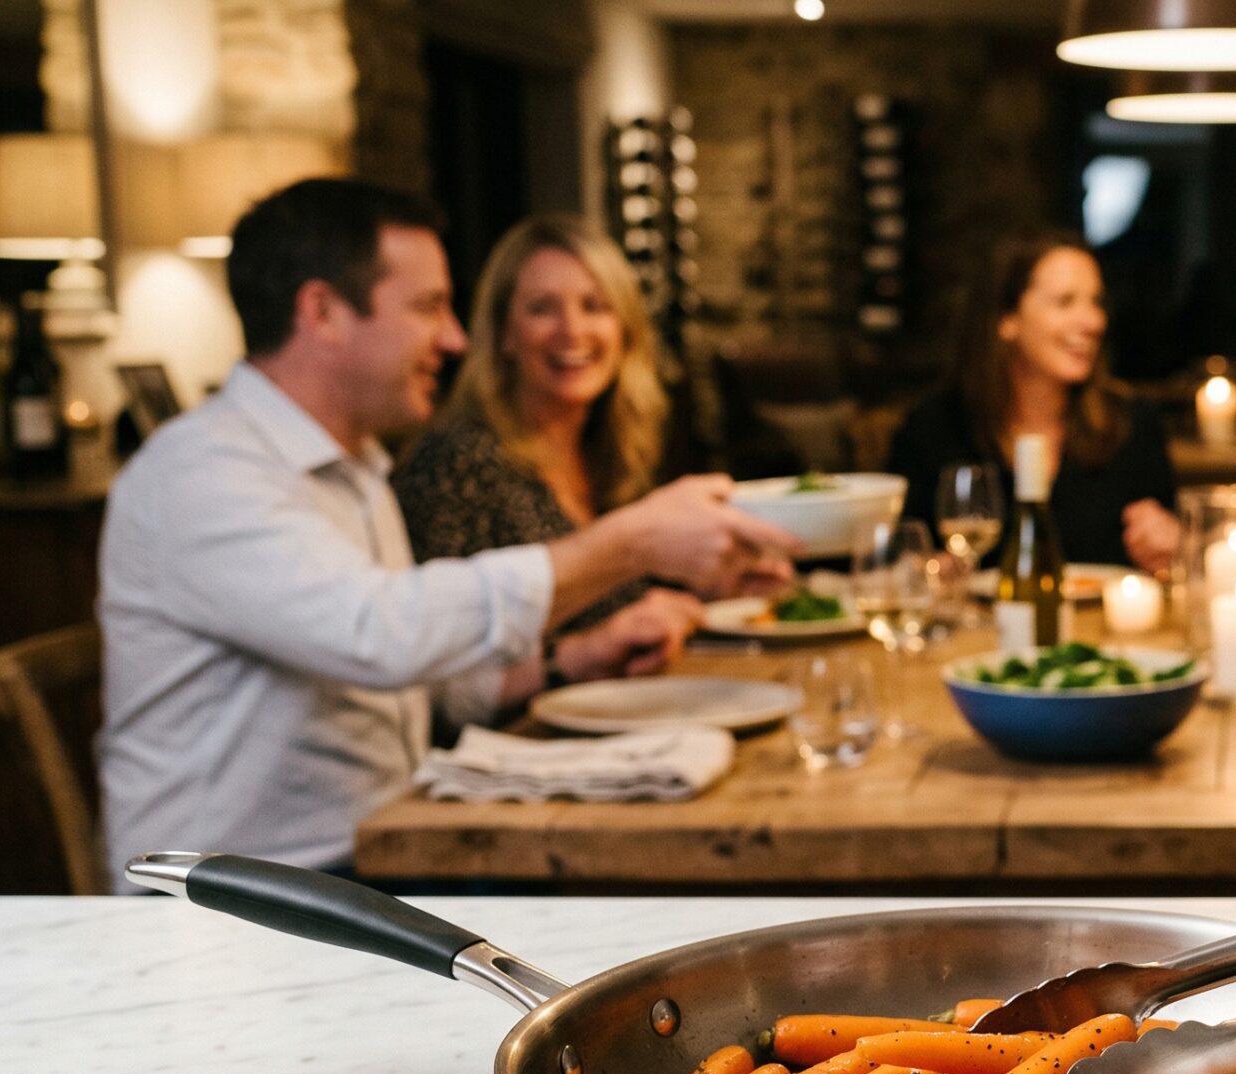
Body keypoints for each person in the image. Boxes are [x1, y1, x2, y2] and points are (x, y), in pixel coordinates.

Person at [99, 179, 793, 888]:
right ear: (324, 313)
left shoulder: (355, 469)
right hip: (248, 899)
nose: (456, 338)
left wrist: (575, 659)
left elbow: (416, 691)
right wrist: (629, 544)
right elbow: (378, 634)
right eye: (430, 307)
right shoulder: (203, 471)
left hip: (381, 853)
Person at [395, 214, 748, 633]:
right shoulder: (456, 462)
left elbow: (620, 611)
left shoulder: (611, 452)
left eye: (594, 306)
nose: (572, 330)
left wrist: (714, 589)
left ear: (625, 330)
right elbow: (441, 657)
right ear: (504, 333)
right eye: (542, 308)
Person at [889, 231, 1180, 573]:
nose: (1093, 321)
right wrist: (923, 568)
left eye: (1096, 302)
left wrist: (1172, 544)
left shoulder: (1131, 424)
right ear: (1006, 320)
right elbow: (897, 555)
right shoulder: (936, 427)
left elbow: (1172, 556)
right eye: (1065, 302)